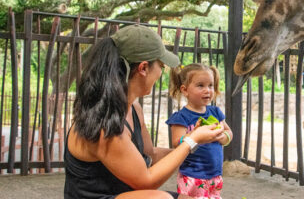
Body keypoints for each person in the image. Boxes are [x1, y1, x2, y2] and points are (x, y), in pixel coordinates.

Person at [64, 25, 225, 199]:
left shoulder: (134, 109)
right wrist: (191, 141)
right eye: (161, 66)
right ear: (143, 68)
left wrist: (197, 147)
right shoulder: (105, 123)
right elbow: (146, 181)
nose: (161, 73)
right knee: (161, 198)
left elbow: (151, 154)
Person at [167, 63, 233, 199]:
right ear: (185, 90)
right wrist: (194, 134)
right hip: (192, 177)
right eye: (200, 85)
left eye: (210, 85)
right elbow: (176, 143)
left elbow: (229, 133)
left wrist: (223, 137)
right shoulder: (181, 117)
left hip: (215, 175)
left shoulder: (215, 112)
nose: (207, 90)